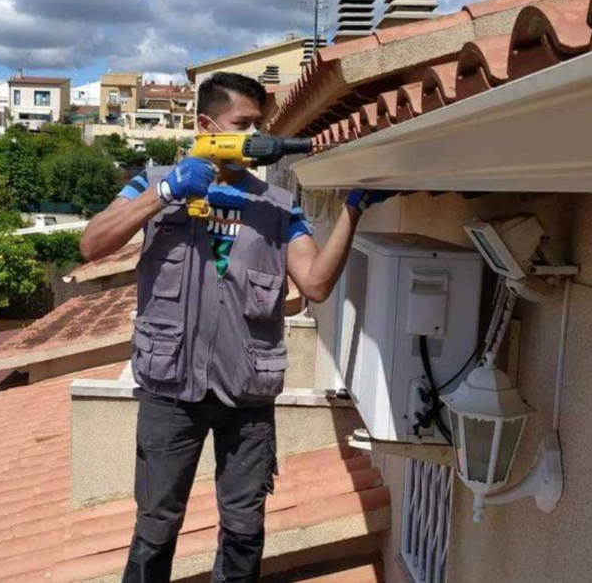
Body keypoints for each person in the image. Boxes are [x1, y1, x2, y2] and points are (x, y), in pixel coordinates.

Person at [80, 71, 388, 583]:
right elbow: (93, 244)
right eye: (244, 124)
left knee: (245, 530)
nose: (258, 136)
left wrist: (352, 213)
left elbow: (314, 283)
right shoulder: (151, 182)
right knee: (156, 527)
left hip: (246, 397)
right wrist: (165, 191)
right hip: (170, 391)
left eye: (260, 125)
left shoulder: (276, 205)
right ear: (207, 124)